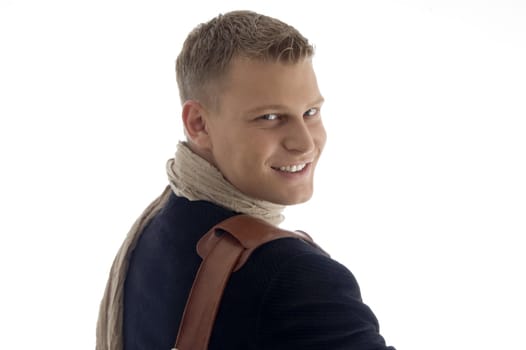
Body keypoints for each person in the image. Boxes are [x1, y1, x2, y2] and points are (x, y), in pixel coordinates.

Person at [97, 10, 395, 350]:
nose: (305, 142)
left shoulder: (157, 224)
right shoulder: (299, 280)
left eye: (310, 112)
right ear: (199, 124)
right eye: (270, 117)